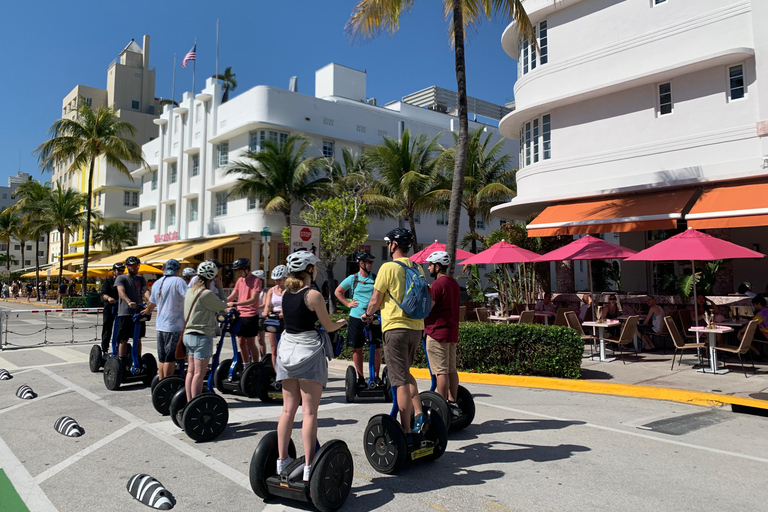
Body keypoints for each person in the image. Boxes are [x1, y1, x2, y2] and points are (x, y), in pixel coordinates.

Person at [275, 251, 346, 481]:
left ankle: (282, 459)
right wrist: (342, 322)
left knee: (287, 410)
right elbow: (328, 325)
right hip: (308, 354)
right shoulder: (313, 295)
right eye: (314, 267)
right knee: (309, 412)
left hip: (287, 353)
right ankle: (308, 466)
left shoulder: (285, 293)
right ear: (309, 270)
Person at [362, 227, 428, 438]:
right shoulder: (417, 268)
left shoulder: (387, 268)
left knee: (399, 380)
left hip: (395, 329)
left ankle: (406, 431)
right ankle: (418, 414)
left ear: (393, 245)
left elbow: (375, 300)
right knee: (405, 373)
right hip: (416, 329)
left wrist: (367, 314)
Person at [335, 251, 381, 388]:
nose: (372, 264)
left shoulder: (376, 278)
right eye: (369, 262)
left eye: (372, 262)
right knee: (357, 348)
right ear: (361, 263)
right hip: (356, 316)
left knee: (377, 347)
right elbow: (338, 292)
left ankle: (376, 377)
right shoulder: (352, 279)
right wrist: (348, 304)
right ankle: (360, 377)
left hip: (372, 317)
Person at [423, 251, 461, 416]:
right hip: (451, 332)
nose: (429, 268)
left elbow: (427, 309)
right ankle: (453, 403)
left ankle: (442, 406)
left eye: (430, 265)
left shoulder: (437, 285)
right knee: (451, 369)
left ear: (438, 267)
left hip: (437, 332)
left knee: (440, 371)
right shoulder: (453, 283)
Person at [182, 261, 227, 400]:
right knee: (199, 373)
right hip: (201, 336)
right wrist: (220, 288)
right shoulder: (206, 294)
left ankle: (190, 402)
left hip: (188, 335)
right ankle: (195, 403)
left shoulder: (190, 291)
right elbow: (222, 306)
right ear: (212, 278)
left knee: (190, 371)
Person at [146, 259, 188, 380]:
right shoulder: (179, 281)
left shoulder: (157, 283)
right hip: (174, 326)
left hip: (160, 325)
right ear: (178, 270)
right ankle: (167, 383)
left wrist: (147, 312)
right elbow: (189, 296)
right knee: (171, 358)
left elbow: (151, 303)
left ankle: (161, 383)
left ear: (164, 269)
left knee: (162, 358)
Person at [226, 258, 263, 365]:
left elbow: (253, 299)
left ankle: (256, 365)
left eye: (240, 270)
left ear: (247, 269)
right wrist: (222, 302)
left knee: (250, 342)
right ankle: (246, 365)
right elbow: (232, 296)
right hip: (239, 315)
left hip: (250, 315)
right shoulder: (239, 280)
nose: (238, 273)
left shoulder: (256, 281)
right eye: (237, 271)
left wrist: (235, 304)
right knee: (241, 342)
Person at [115, 256, 150, 358]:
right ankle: (121, 360)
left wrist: (150, 300)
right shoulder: (121, 278)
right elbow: (121, 291)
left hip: (138, 312)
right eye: (133, 265)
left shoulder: (141, 279)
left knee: (138, 338)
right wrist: (129, 301)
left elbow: (145, 290)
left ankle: (137, 359)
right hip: (125, 312)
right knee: (123, 338)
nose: (136, 268)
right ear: (127, 266)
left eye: (137, 265)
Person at [262, 265, 287, 368]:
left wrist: (284, 314)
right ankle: (276, 372)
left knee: (284, 347)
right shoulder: (271, 290)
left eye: (280, 280)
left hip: (285, 318)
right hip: (273, 318)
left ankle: (285, 370)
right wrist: (265, 312)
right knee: (274, 348)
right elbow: (267, 305)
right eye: (276, 280)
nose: (278, 282)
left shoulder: (289, 290)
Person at [101, 263, 125, 353]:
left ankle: (119, 348)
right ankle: (104, 349)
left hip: (120, 307)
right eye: (119, 270)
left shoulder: (124, 281)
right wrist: (108, 298)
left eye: (122, 270)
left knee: (120, 329)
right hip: (109, 307)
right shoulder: (108, 281)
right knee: (107, 328)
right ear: (114, 271)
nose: (121, 272)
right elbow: (103, 294)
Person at [252, 269, 268, 357]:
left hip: (260, 316)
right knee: (249, 339)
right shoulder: (252, 290)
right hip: (251, 315)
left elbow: (264, 304)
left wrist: (253, 306)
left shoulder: (264, 291)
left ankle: (263, 357)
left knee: (260, 339)